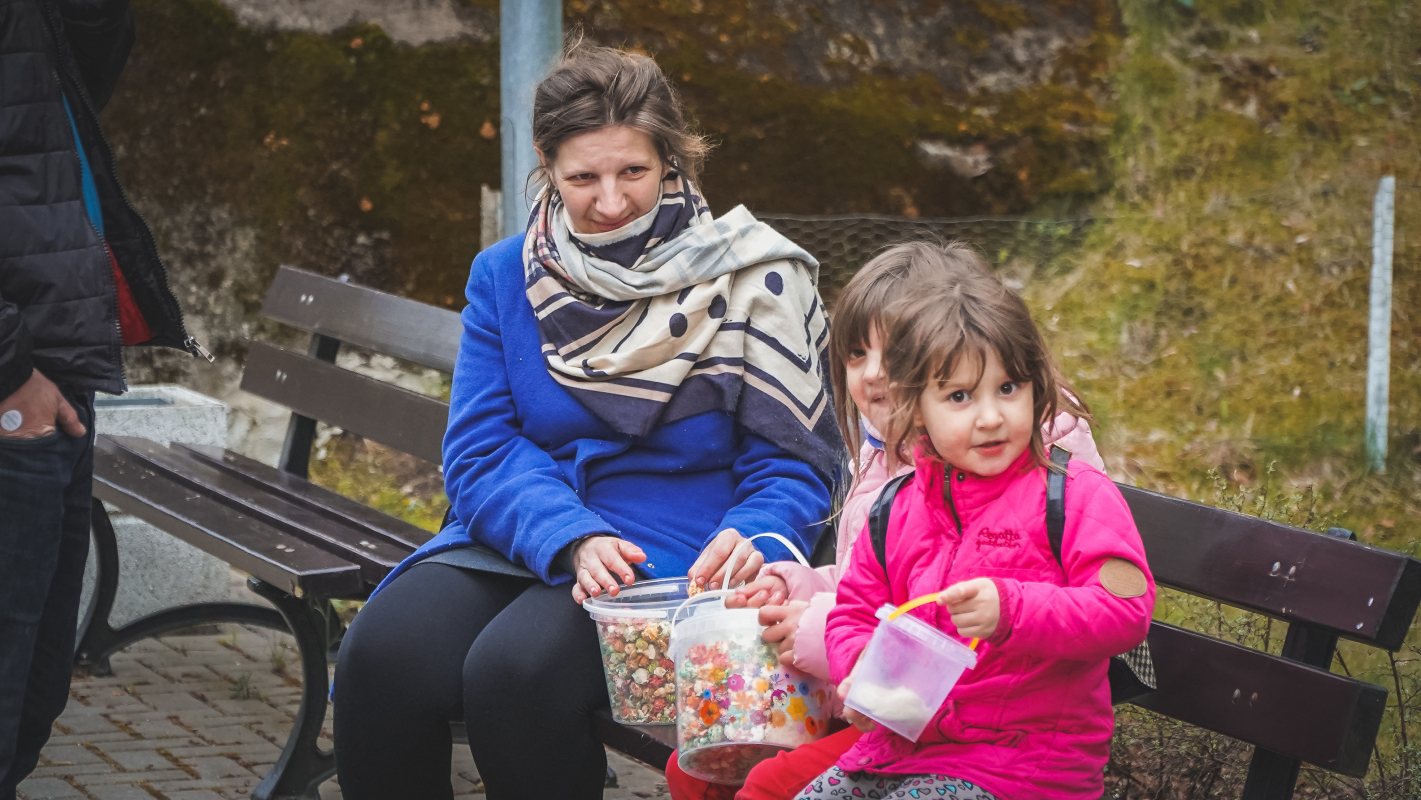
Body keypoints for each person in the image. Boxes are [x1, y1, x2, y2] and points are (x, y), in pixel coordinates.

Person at [331, 45, 839, 800]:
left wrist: (757, 538)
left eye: (632, 171)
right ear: (546, 163)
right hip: (530, 529)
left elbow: (796, 460)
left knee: (514, 672)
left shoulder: (753, 277)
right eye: (581, 178)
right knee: (380, 657)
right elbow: (480, 449)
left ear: (669, 156)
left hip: (685, 551)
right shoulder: (506, 273)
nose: (609, 201)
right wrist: (568, 535)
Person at [664, 242, 1105, 800]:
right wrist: (801, 583)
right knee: (695, 764)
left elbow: (956, 620)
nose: (872, 374)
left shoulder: (1019, 458)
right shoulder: (884, 453)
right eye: (854, 355)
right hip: (883, 711)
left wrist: (822, 626)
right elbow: (878, 577)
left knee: (768, 784)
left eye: (892, 351)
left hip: (974, 733)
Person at [796, 242, 1153, 800]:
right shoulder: (896, 507)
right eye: (960, 396)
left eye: (1008, 388)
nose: (990, 416)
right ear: (917, 408)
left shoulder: (1075, 494)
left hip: (1023, 765)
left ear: (1036, 388)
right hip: (901, 749)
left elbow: (1126, 610)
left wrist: (1012, 608)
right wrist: (864, 673)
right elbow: (853, 612)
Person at [0, 0, 202, 796]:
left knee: (34, 686)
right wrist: (12, 378)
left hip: (56, 368)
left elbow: (81, 84)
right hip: (20, 384)